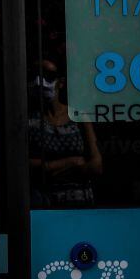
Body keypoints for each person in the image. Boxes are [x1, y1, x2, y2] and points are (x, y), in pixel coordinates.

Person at [28, 58, 103, 207]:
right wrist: (72, 162)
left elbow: (96, 166)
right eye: (34, 74)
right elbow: (23, 165)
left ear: (60, 82)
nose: (39, 81)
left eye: (48, 75)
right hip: (44, 204)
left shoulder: (79, 117)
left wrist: (49, 168)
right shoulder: (27, 119)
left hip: (80, 203)